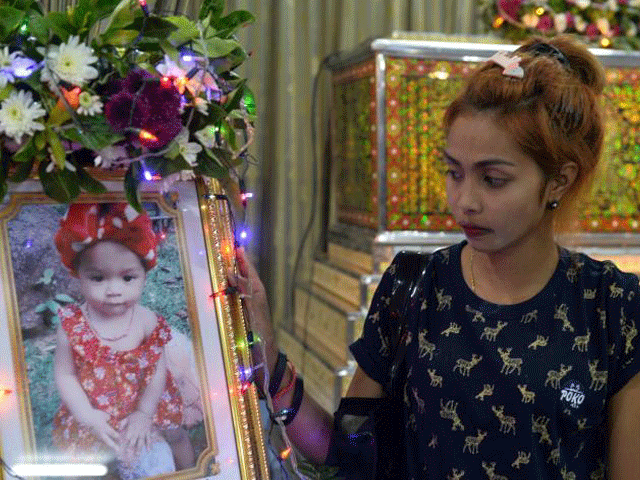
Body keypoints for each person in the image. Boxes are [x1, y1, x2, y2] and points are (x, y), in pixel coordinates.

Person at [233, 35, 640, 479]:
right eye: (454, 172)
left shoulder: (612, 307)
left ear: (559, 181)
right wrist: (269, 360)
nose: (464, 201)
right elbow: (350, 456)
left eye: (493, 179)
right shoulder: (414, 286)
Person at [52, 202, 196, 479]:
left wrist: (143, 412)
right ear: (78, 276)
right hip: (96, 409)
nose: (114, 290)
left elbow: (156, 370)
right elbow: (66, 375)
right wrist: (89, 416)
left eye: (128, 278)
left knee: (175, 434)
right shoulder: (72, 326)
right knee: (98, 456)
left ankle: (193, 471)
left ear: (144, 275)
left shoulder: (146, 320)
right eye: (98, 278)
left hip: (148, 400)